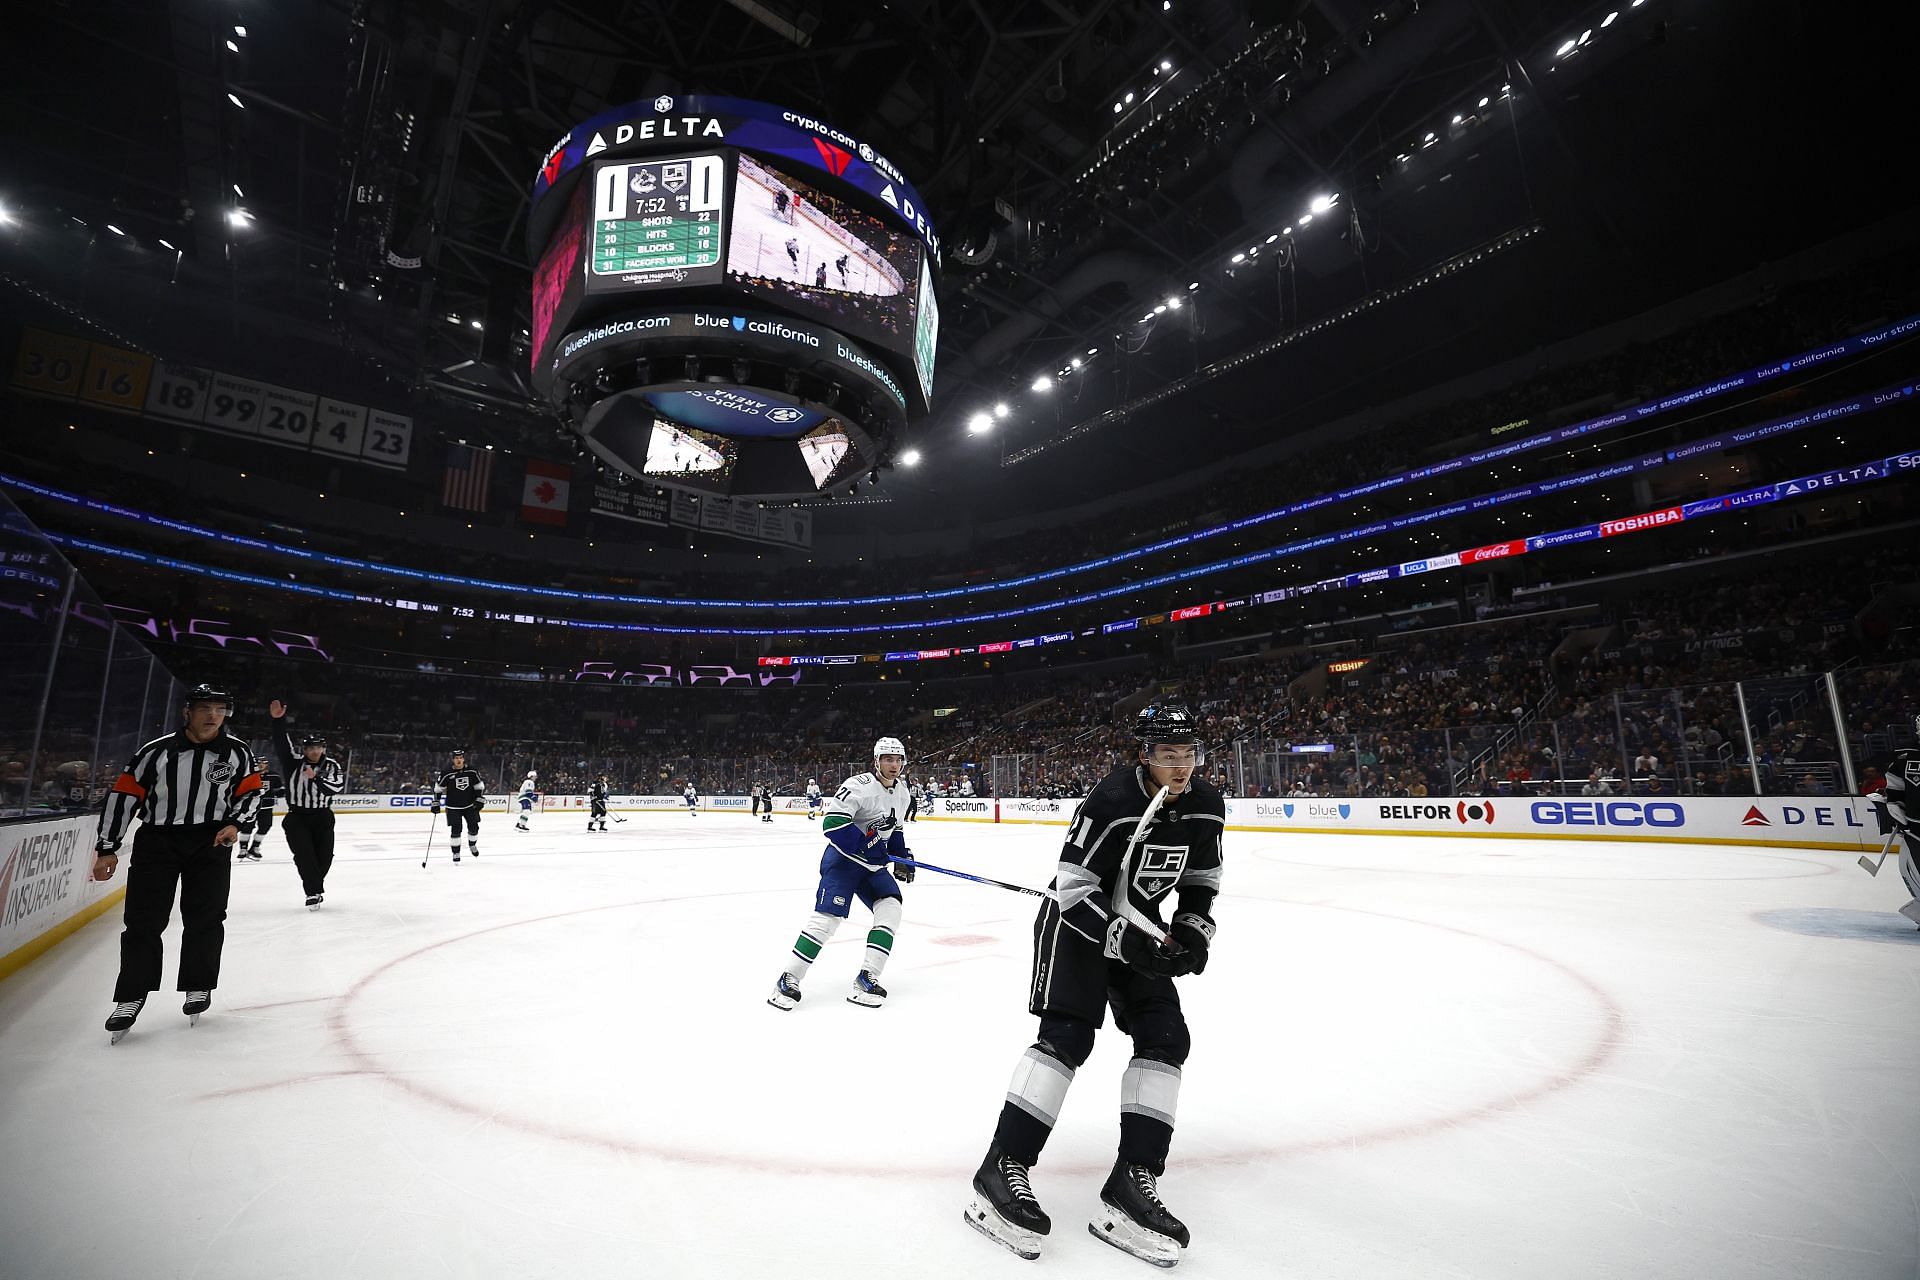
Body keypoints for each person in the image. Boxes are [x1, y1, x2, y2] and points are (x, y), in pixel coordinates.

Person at [965, 704, 1224, 1266]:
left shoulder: (1206, 805)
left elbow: (1202, 881)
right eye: (1168, 756)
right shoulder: (1112, 801)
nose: (1181, 767)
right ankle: (1002, 1167)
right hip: (1077, 930)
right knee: (1068, 1037)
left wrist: (1191, 933)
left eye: (1189, 755)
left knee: (1165, 1039)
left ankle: (1133, 1182)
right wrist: (1119, 939)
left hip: (1141, 933)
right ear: (1145, 756)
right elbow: (1073, 887)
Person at [94, 684, 263, 1043]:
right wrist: (108, 847)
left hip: (211, 841)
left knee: (207, 916)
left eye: (220, 709)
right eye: (205, 708)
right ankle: (131, 995)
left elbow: (250, 794)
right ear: (187, 712)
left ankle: (198, 985)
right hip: (158, 840)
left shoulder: (237, 753)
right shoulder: (154, 752)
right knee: (142, 919)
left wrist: (235, 823)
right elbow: (124, 797)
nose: (213, 715)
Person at [767, 737, 914, 1011]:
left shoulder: (903, 793)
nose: (894, 765)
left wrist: (902, 856)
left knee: (891, 908)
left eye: (898, 759)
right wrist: (865, 847)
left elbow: (895, 830)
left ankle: (866, 978)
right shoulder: (858, 786)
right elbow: (833, 824)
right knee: (826, 920)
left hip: (872, 867)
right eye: (888, 759)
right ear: (876, 761)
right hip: (843, 862)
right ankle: (788, 979)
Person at [268, 699, 346, 909]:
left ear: (323, 748)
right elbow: (281, 743)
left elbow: (335, 788)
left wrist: (315, 778)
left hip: (322, 816)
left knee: (325, 856)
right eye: (310, 747)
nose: (314, 751)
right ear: (304, 749)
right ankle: (312, 892)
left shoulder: (331, 765)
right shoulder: (293, 762)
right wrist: (278, 721)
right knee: (304, 855)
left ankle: (314, 884)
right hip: (297, 817)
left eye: (318, 747)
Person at [1866, 718, 1920, 928]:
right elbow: (1896, 788)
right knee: (1914, 870)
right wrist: (1893, 803)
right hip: (1915, 828)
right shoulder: (1906, 758)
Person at [433, 748, 486, 860]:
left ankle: (472, 845)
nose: (459, 760)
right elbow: (439, 788)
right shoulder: (446, 772)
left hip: (470, 805)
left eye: (460, 758)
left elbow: (479, 786)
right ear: (453, 760)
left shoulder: (472, 771)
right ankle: (456, 852)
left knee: (474, 827)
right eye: (456, 758)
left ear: (463, 759)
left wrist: (479, 798)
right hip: (453, 806)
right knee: (456, 829)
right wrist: (436, 802)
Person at [237, 753, 284, 861]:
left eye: (264, 763)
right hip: (251, 807)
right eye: (259, 763)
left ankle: (255, 847)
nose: (261, 765)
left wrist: (279, 793)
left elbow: (280, 791)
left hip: (267, 807)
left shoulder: (274, 776)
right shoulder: (250, 775)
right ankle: (243, 848)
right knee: (247, 827)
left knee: (265, 826)